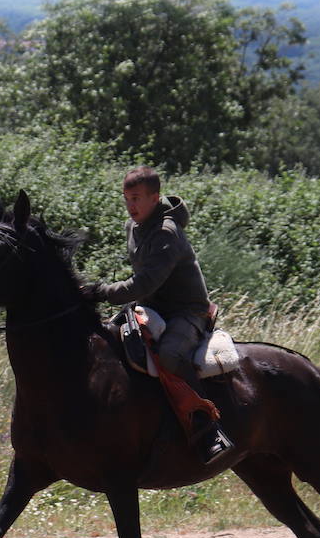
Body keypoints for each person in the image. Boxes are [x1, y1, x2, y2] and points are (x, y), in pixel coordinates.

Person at [82, 167, 234, 463]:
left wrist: (100, 291)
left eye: (137, 198)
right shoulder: (133, 226)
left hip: (188, 310)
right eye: (127, 198)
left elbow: (144, 282)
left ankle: (208, 428)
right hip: (152, 307)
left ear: (155, 197)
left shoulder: (167, 231)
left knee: (170, 355)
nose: (131, 206)